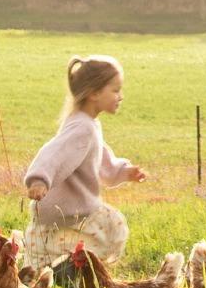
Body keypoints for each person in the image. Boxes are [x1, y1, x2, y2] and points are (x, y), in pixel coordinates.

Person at [20, 53, 148, 272]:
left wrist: (124, 171)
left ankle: (67, 274)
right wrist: (40, 179)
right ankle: (68, 275)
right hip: (65, 215)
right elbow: (55, 152)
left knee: (108, 231)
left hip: (70, 213)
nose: (120, 96)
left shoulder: (89, 124)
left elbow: (101, 160)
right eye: (115, 90)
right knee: (109, 232)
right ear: (94, 93)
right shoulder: (82, 127)